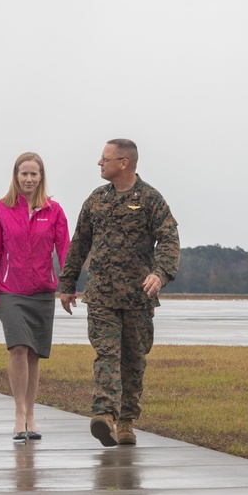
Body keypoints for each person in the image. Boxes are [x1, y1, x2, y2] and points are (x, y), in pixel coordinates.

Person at [59, 139, 179, 446]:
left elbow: (169, 238)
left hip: (138, 297)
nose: (100, 163)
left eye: (105, 158)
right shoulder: (96, 200)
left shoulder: (150, 199)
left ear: (123, 163)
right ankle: (105, 416)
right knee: (107, 355)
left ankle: (126, 420)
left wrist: (160, 273)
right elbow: (79, 244)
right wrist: (67, 284)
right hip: (100, 295)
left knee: (134, 360)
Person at [0, 152, 69, 441]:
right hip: (11, 291)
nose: (29, 179)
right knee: (17, 348)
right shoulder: (0, 209)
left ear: (41, 177)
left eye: (34, 174)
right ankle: (18, 413)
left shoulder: (54, 210)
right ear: (16, 175)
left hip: (43, 291)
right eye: (24, 174)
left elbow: (65, 250)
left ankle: (32, 414)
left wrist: (67, 286)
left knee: (34, 353)